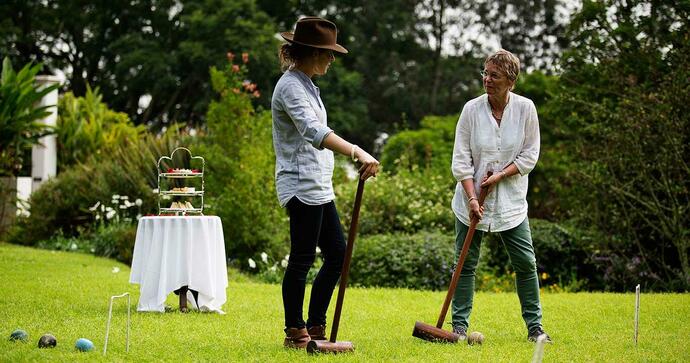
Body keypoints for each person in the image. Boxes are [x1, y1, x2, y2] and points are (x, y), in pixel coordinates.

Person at [271, 17, 379, 349]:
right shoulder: (290, 86)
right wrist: (357, 151)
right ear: (308, 52)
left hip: (317, 185)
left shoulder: (307, 85)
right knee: (302, 257)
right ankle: (295, 331)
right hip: (300, 184)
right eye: (328, 53)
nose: (332, 59)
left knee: (337, 254)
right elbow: (313, 132)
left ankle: (316, 325)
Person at [450, 49, 551, 343]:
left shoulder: (526, 109)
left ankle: (535, 329)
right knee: (465, 263)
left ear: (511, 80)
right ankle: (458, 328)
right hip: (469, 201)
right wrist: (471, 198)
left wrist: (500, 175)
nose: (487, 79)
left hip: (511, 203)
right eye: (485, 72)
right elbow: (461, 160)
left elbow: (530, 155)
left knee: (525, 263)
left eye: (494, 75)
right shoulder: (471, 109)